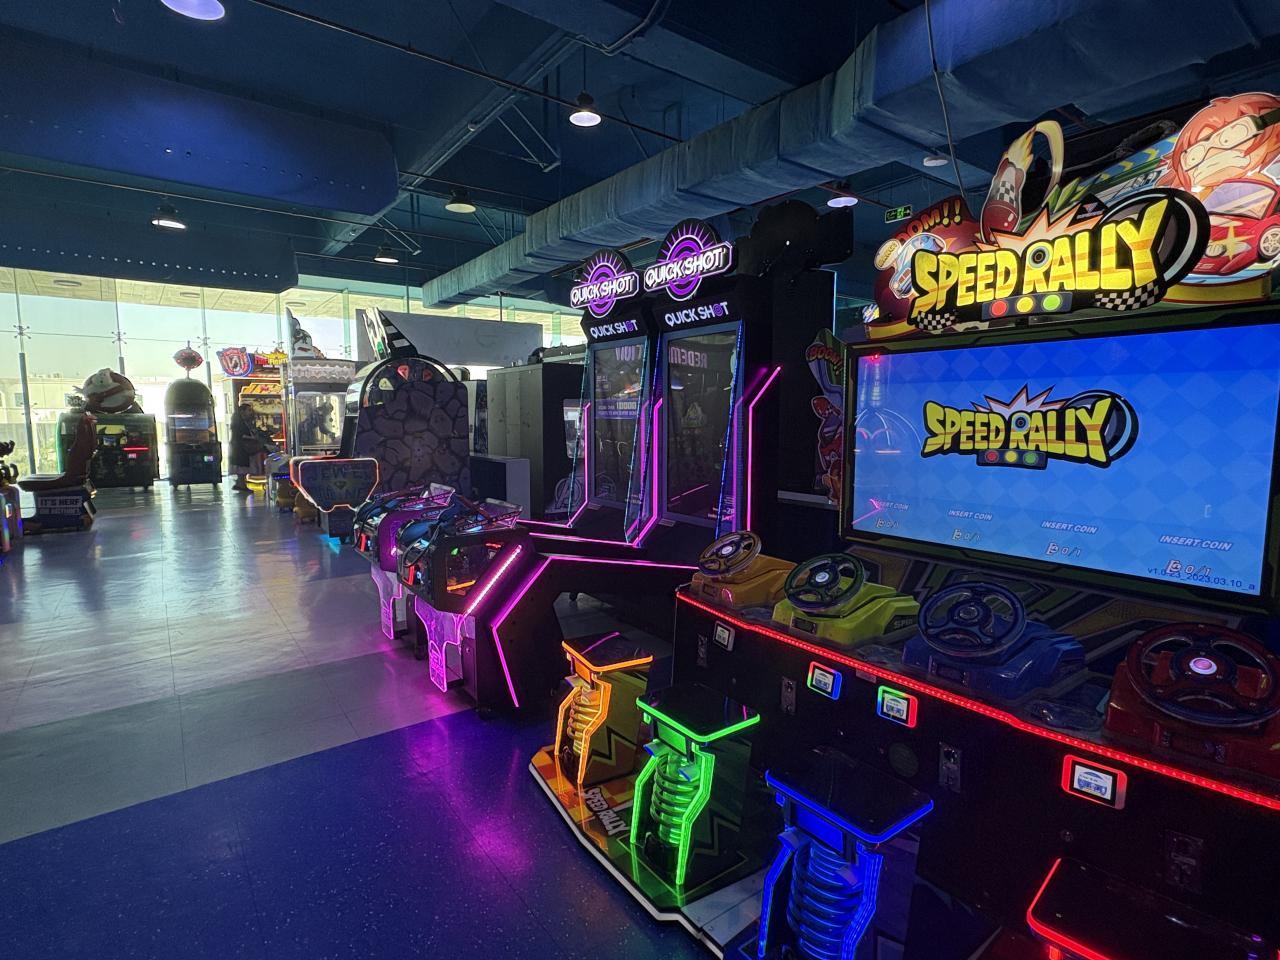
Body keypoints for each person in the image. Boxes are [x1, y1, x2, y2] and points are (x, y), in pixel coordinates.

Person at [228, 401, 260, 491]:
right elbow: (241, 435)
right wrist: (252, 438)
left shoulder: (241, 421)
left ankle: (240, 483)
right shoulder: (239, 423)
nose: (250, 412)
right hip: (240, 448)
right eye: (248, 410)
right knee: (242, 466)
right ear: (243, 411)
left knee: (241, 466)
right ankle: (242, 484)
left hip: (239, 447)